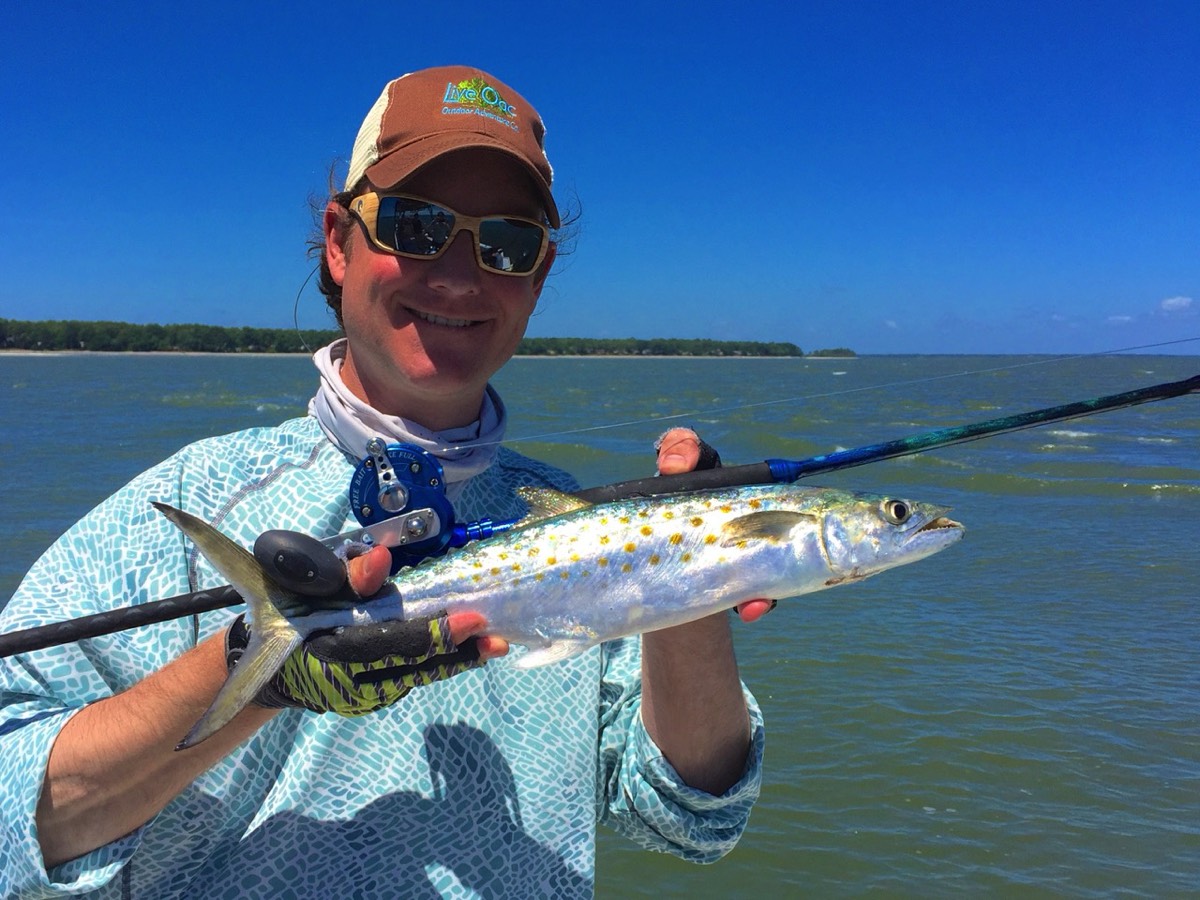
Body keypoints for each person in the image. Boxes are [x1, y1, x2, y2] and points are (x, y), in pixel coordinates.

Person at [0, 65, 766, 898]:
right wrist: (250, 673)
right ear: (339, 241)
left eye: (506, 243)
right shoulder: (193, 503)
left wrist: (691, 584)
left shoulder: (583, 523)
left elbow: (689, 822)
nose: (461, 274)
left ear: (537, 280)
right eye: (414, 224)